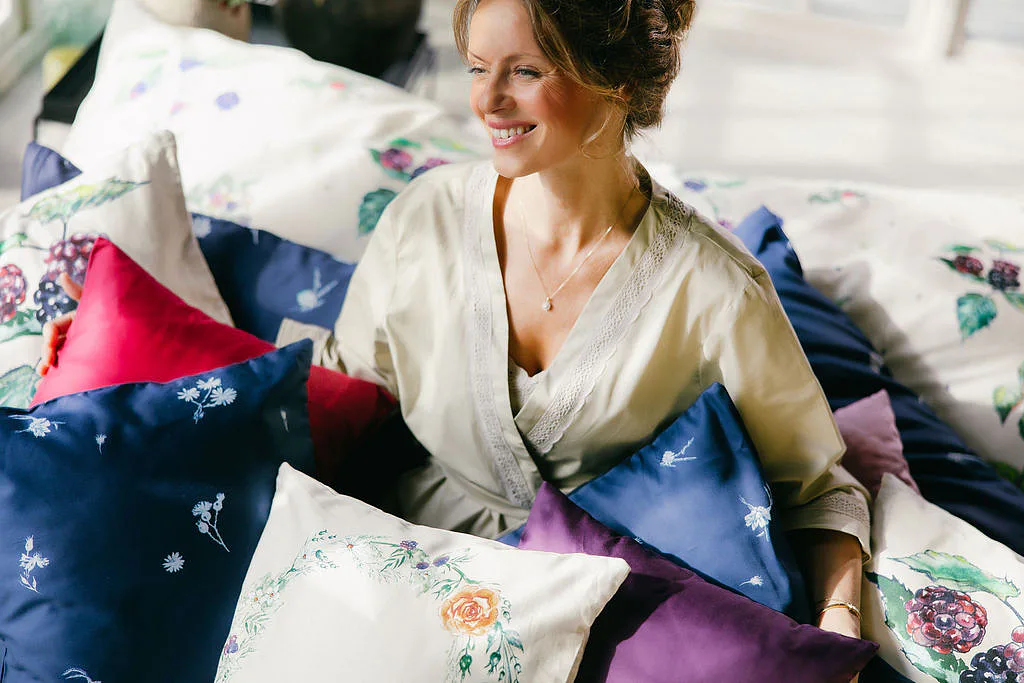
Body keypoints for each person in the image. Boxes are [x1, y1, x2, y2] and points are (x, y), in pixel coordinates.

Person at [43, 0, 870, 643]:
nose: (487, 100)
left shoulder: (715, 293)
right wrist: (135, 370)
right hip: (393, 579)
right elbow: (338, 388)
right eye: (478, 67)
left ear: (616, 81)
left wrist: (839, 629)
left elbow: (818, 494)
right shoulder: (429, 219)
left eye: (524, 70)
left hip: (601, 620)